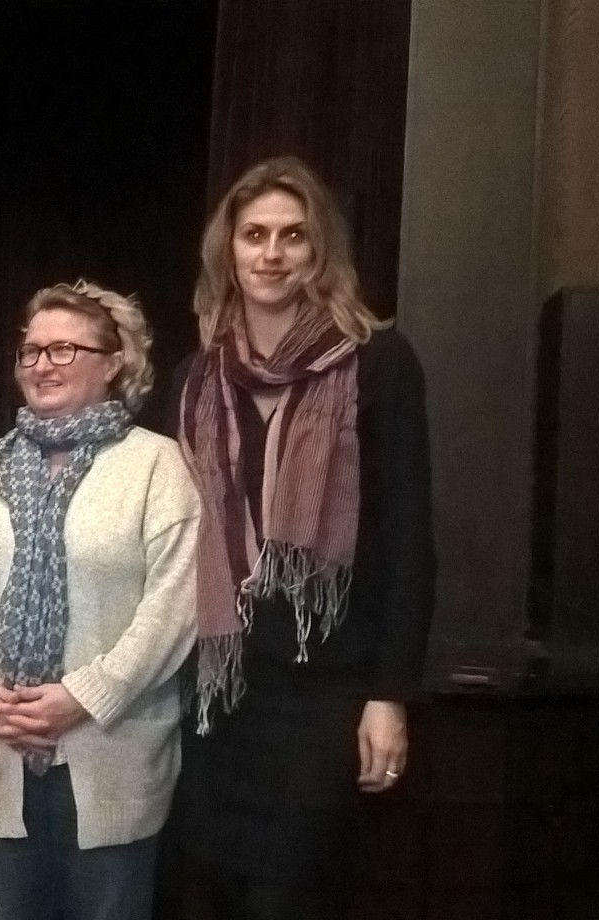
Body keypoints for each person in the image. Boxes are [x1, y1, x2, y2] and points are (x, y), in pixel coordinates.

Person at [167, 155, 435, 920]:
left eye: (294, 235)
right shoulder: (197, 376)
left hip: (326, 685)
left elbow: (409, 536)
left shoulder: (378, 361)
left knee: (289, 896)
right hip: (221, 686)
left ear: (321, 251)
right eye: (254, 235)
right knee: (216, 893)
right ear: (228, 251)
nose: (272, 254)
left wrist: (389, 694)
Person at [0, 280, 200, 920]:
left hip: (111, 754)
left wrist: (83, 696)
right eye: (31, 351)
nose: (43, 364)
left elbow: (173, 608)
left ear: (115, 363)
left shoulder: (157, 467)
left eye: (64, 349)